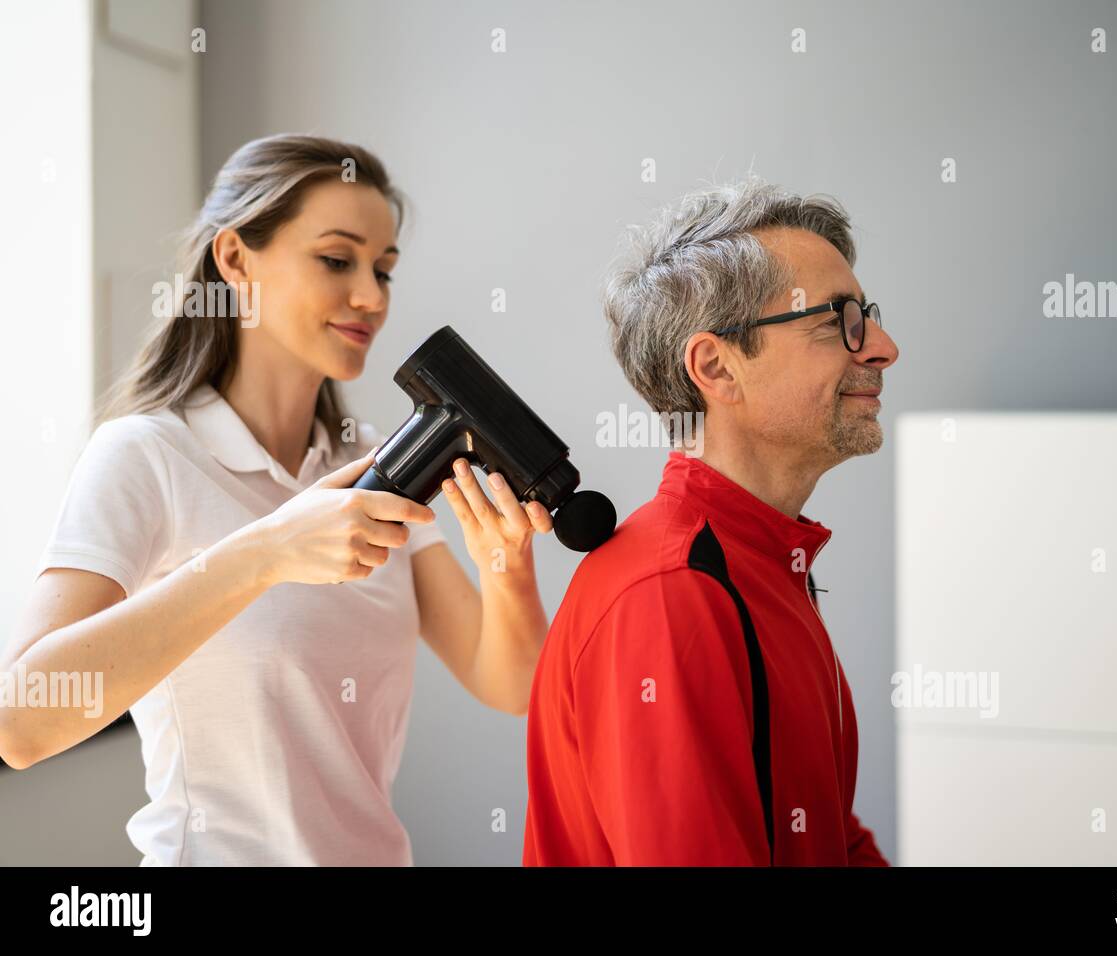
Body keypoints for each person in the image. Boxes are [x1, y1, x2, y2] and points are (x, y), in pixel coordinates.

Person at [0, 134, 554, 866]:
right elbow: (23, 722)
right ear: (235, 260)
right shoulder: (148, 455)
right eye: (337, 259)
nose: (372, 297)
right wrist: (266, 553)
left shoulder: (372, 467)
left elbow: (510, 685)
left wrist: (504, 566)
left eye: (384, 270)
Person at [523, 176, 898, 865]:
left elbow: (832, 843)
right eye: (836, 321)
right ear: (717, 367)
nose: (882, 347)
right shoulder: (671, 595)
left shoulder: (766, 562)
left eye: (866, 315)